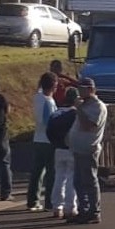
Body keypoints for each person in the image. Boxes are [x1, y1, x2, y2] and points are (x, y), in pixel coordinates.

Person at [67, 78, 108, 224]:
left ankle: (94, 211)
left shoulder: (98, 107)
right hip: (78, 148)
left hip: (88, 149)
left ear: (91, 89)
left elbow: (88, 126)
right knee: (78, 181)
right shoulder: (84, 105)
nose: (80, 92)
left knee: (89, 181)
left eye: (83, 89)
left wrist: (79, 109)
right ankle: (83, 210)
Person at [26, 72, 58, 212]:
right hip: (48, 140)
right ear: (53, 86)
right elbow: (48, 121)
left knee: (37, 172)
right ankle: (50, 202)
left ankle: (32, 201)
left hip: (37, 138)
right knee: (51, 173)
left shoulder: (37, 97)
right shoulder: (49, 102)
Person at [47, 87, 79, 219]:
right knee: (72, 178)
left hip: (58, 149)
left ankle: (56, 207)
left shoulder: (56, 113)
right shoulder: (75, 114)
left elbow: (49, 131)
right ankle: (70, 208)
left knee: (59, 177)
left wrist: (55, 143)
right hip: (71, 149)